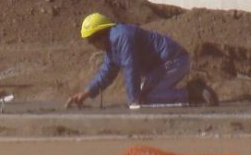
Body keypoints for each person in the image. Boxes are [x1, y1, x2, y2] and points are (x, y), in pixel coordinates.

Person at [65, 13, 218, 109]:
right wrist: (85, 93)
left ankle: (192, 93)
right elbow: (107, 72)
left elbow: (131, 67)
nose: (92, 45)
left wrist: (134, 100)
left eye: (91, 40)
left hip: (174, 60)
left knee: (144, 100)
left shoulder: (121, 37)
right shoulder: (112, 44)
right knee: (145, 97)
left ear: (101, 34)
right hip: (166, 64)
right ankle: (190, 92)